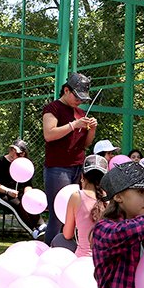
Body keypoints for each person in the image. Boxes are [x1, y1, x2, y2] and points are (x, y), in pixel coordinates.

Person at [42, 72, 98, 244]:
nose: (79, 101)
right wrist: (74, 125)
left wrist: (92, 129)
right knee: (57, 216)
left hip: (78, 168)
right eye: (77, 96)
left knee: (77, 214)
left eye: (83, 98)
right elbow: (49, 134)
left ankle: (71, 250)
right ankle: (48, 251)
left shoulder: (81, 113)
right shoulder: (53, 108)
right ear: (66, 90)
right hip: (58, 168)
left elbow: (85, 144)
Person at [0, 139, 47, 238]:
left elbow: (28, 184)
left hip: (17, 195)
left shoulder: (25, 165)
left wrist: (27, 195)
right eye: (11, 150)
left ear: (23, 154)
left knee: (27, 201)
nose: (12, 154)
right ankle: (33, 232)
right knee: (17, 205)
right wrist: (8, 191)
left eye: (16, 152)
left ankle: (41, 225)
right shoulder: (0, 162)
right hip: (0, 195)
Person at [56, 154, 109, 257]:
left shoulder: (76, 197)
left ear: (82, 177)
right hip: (105, 263)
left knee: (58, 239)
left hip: (82, 261)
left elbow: (67, 234)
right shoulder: (111, 199)